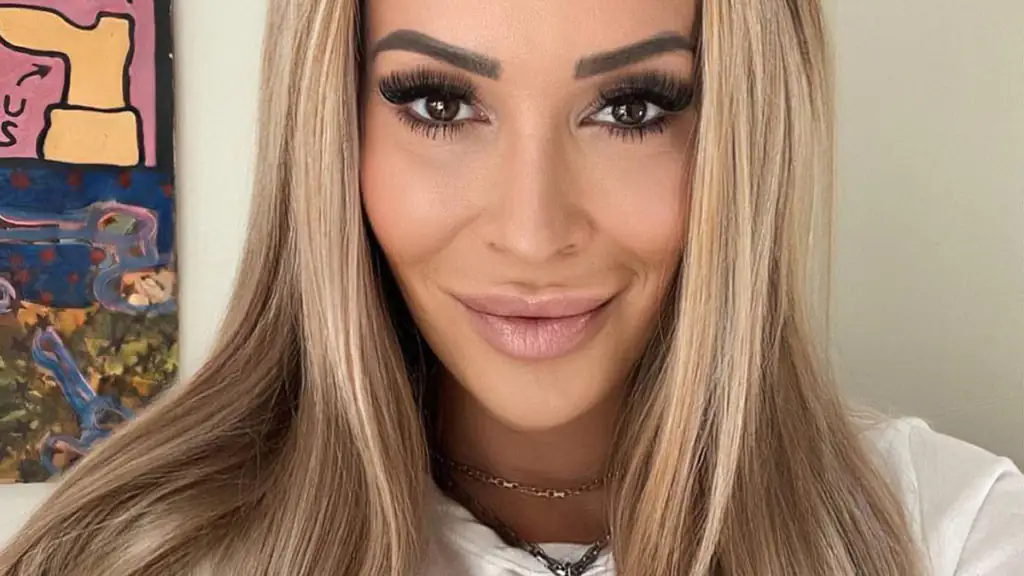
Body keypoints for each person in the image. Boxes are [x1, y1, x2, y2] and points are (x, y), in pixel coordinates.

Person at [2, 0, 1022, 574]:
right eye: (441, 104)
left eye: (632, 109)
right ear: (335, 128)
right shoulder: (136, 554)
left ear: (742, 131)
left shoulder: (951, 535)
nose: (533, 234)